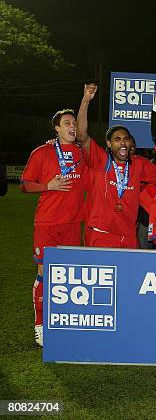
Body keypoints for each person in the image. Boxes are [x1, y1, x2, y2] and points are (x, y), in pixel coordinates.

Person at [21, 107, 88, 346]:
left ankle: (64, 323)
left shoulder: (83, 154)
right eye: (67, 123)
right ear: (57, 128)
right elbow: (25, 185)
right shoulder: (42, 152)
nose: (72, 127)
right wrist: (47, 186)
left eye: (74, 123)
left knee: (68, 277)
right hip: (47, 223)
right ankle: (40, 324)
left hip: (72, 225)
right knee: (44, 274)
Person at [77, 84, 156, 248]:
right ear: (109, 144)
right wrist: (86, 101)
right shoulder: (100, 160)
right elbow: (82, 136)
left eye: (126, 139)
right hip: (102, 234)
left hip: (128, 236)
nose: (123, 143)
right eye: (117, 139)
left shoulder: (139, 164)